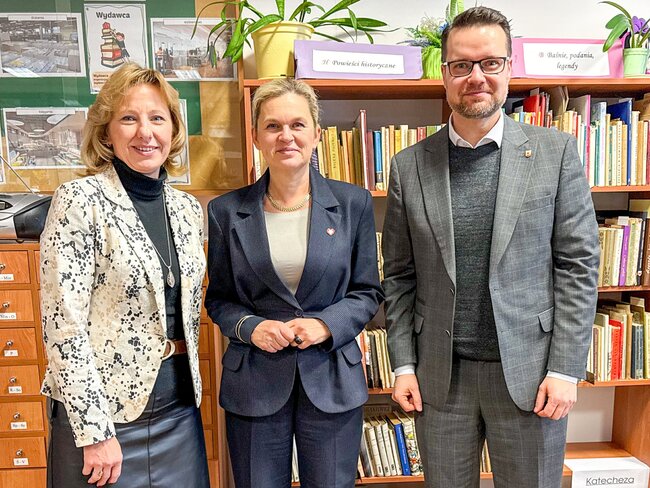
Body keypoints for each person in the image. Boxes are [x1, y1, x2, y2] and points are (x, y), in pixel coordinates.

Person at [382, 7, 600, 488]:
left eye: (490, 63)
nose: (476, 77)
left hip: (532, 377)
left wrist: (566, 369)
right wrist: (403, 364)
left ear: (509, 67)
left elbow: (579, 267)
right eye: (462, 65)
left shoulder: (556, 152)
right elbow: (398, 276)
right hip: (441, 381)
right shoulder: (408, 166)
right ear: (445, 74)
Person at [205, 78, 383, 488]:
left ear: (316, 133)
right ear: (256, 136)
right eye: (273, 126)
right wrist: (251, 328)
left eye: (297, 124)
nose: (286, 136)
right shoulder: (225, 212)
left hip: (331, 374)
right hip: (254, 380)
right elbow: (220, 300)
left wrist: (326, 325)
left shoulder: (353, 203)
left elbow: (367, 291)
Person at [40, 63, 209, 488]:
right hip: (103, 422)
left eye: (157, 118)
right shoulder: (79, 200)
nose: (145, 132)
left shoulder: (187, 210)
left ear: (173, 129)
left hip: (178, 413)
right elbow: (63, 324)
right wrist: (95, 431)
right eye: (129, 118)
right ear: (106, 132)